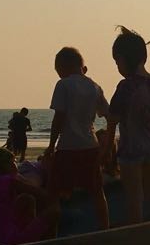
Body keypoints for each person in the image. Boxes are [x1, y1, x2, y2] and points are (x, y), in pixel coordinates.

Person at [105, 27, 150, 225]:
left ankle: (136, 235)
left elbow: (112, 120)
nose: (118, 67)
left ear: (124, 59)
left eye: (117, 62)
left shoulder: (125, 87)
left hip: (130, 150)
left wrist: (107, 150)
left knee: (134, 198)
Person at [42, 47, 110, 229]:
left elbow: (59, 117)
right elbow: (108, 115)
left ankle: (52, 232)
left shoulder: (63, 85)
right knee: (97, 191)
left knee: (53, 191)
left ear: (62, 67)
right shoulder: (95, 87)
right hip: (91, 145)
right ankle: (104, 227)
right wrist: (108, 143)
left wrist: (51, 145)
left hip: (68, 147)